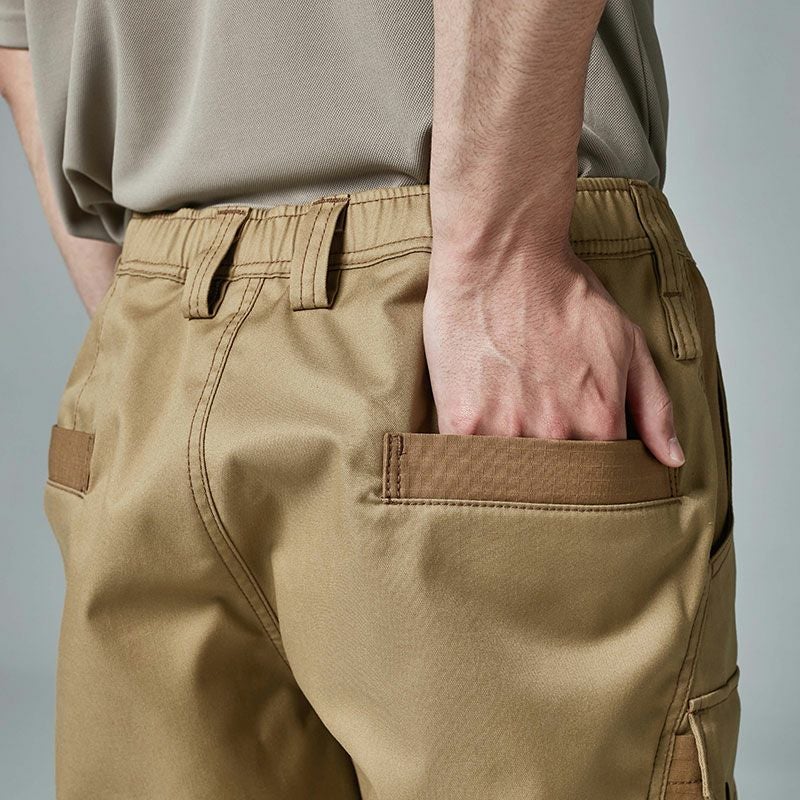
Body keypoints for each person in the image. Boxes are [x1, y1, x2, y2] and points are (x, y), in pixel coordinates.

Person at [0, 1, 740, 797]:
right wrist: (502, 251)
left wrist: (134, 319)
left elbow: (18, 38)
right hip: (456, 266)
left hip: (167, 324)